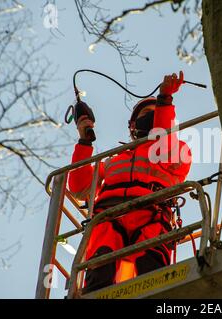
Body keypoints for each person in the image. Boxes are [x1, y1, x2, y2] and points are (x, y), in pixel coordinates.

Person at [68, 71, 192, 293]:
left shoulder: (178, 149)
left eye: (157, 113)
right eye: (147, 113)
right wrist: (84, 142)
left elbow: (162, 147)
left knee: (152, 273)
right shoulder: (114, 161)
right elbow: (79, 188)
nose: (153, 117)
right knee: (99, 273)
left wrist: (165, 99)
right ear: (133, 126)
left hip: (151, 215)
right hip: (108, 218)